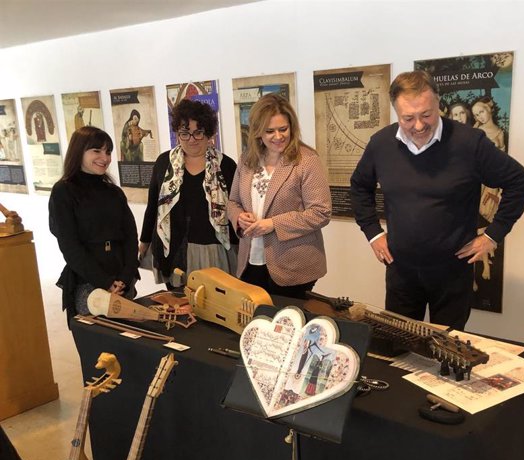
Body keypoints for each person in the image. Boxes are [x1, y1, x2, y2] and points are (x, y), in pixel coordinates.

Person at [350, 71, 524, 330]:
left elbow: (520, 182)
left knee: (447, 352)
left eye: (426, 114)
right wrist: (373, 233)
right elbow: (359, 186)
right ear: (396, 112)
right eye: (408, 118)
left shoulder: (469, 143)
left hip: (452, 273)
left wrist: (493, 235)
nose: (419, 125)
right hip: (400, 269)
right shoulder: (381, 144)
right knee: (398, 345)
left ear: (438, 102)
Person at [227, 93, 331, 299]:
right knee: (257, 320)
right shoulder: (247, 160)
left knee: (286, 323)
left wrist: (273, 224)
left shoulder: (306, 161)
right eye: (269, 131)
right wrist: (239, 217)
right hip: (251, 260)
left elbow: (321, 212)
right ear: (258, 132)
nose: (278, 136)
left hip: (294, 265)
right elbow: (232, 202)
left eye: (283, 129)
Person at [139, 99, 237, 288]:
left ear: (209, 133)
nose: (192, 139)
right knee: (179, 307)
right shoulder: (163, 163)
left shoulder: (226, 165)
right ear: (177, 134)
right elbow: (153, 206)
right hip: (174, 250)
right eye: (185, 133)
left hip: (213, 250)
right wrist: (144, 241)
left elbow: (236, 207)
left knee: (214, 305)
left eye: (198, 132)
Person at [49, 126, 139, 323]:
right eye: (96, 151)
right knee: (98, 348)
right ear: (78, 151)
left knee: (129, 346)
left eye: (108, 151)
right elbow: (70, 245)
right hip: (88, 280)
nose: (104, 158)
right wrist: (105, 283)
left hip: (122, 280)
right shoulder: (63, 191)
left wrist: (124, 278)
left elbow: (131, 237)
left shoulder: (114, 192)